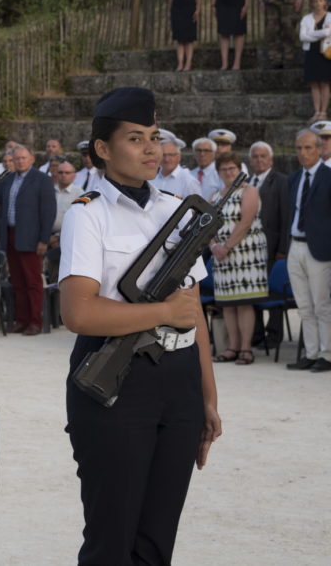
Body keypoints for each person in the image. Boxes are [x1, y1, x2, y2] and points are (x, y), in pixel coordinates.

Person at [59, 87, 221, 566]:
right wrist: (161, 313)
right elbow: (79, 313)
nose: (152, 149)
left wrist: (206, 397)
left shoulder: (177, 210)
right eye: (136, 138)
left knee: (156, 542)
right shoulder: (88, 215)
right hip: (115, 382)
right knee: (112, 537)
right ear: (102, 150)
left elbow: (193, 313)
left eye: (154, 137)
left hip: (178, 380)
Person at [208, 153, 268, 365]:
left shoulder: (249, 190)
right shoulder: (215, 195)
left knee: (243, 303)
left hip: (246, 253)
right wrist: (214, 245)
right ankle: (231, 347)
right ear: (218, 172)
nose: (229, 173)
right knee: (227, 304)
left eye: (232, 168)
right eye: (224, 169)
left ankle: (246, 349)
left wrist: (227, 246)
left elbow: (246, 221)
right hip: (222, 257)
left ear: (239, 168)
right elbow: (209, 224)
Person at [0, 144, 56, 335]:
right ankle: (21, 320)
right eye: (16, 158)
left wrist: (44, 239)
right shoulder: (8, 179)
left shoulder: (42, 180)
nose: (19, 161)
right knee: (17, 281)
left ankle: (35, 321)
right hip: (10, 234)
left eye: (23, 158)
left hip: (31, 237)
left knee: (32, 281)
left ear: (32, 159)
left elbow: (48, 212)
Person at [285, 130, 331, 372]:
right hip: (295, 246)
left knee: (321, 304)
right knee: (304, 305)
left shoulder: (329, 176)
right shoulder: (294, 178)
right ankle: (311, 353)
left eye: (308, 148)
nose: (303, 153)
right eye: (299, 148)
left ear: (319, 149)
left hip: (320, 249)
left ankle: (327, 353)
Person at [247, 141, 291, 346]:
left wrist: (283, 249)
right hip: (250, 250)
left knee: (273, 293)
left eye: (263, 156)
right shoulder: (246, 182)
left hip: (273, 248)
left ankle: (273, 336)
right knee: (252, 292)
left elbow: (286, 217)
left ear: (271, 159)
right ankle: (256, 335)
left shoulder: (281, 181)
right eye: (255, 156)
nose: (259, 160)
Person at [299, 0, 331, 122]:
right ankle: (316, 111)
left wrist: (312, 34)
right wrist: (321, 33)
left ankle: (324, 111)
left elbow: (329, 33)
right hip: (311, 52)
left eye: (320, 1)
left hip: (325, 52)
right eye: (315, 1)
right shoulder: (306, 18)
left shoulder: (329, 17)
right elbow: (302, 36)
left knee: (324, 82)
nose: (318, 4)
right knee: (314, 83)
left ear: (325, 2)